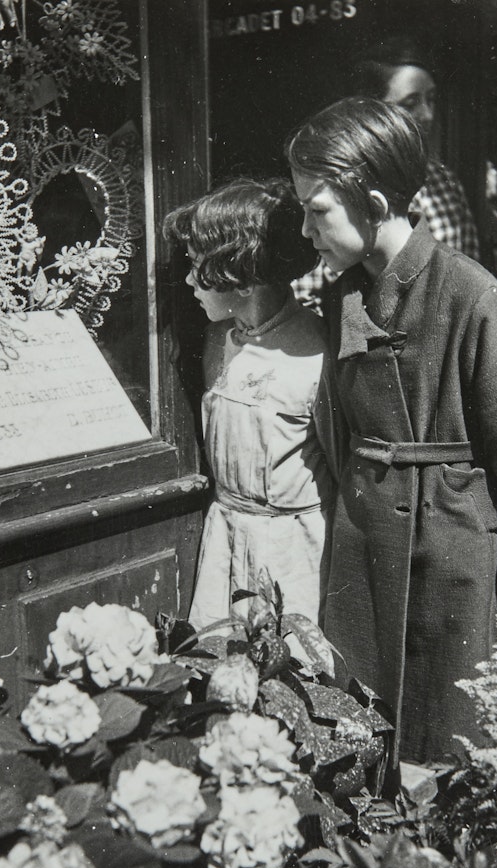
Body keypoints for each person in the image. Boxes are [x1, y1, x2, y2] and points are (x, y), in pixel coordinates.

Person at [286, 97, 497, 771]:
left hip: (451, 551)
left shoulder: (475, 299)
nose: (302, 229)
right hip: (363, 546)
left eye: (315, 210)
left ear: (375, 203)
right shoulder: (339, 295)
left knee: (451, 749)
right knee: (359, 740)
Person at [163, 178, 335, 629]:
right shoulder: (218, 340)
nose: (187, 280)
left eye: (197, 265)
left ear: (238, 274)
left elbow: (341, 464)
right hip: (224, 541)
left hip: (293, 553)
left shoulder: (317, 352)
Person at [293, 35, 480, 313]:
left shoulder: (444, 181)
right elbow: (306, 293)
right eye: (410, 103)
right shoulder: (341, 192)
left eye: (431, 99)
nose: (426, 114)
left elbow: (470, 270)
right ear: (373, 112)